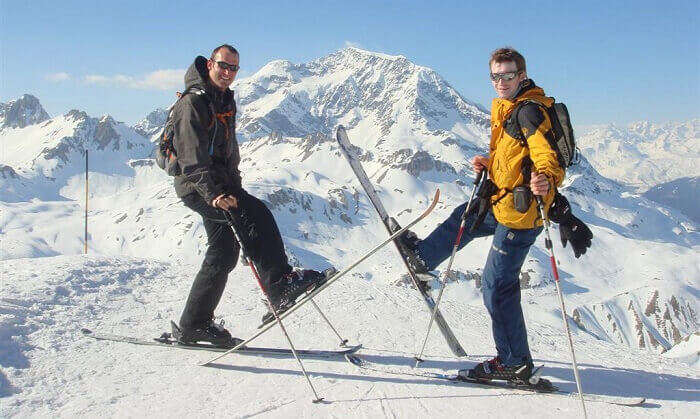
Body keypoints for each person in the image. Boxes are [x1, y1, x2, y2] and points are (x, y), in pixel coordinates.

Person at [400, 47, 590, 383]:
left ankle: (514, 362)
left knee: (497, 286)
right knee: (465, 217)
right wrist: (490, 164)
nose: (501, 81)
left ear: (522, 75)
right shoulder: (506, 106)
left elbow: (547, 158)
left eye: (508, 75)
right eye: (496, 76)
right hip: (501, 197)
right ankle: (422, 258)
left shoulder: (529, 112)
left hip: (522, 213)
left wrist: (545, 178)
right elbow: (512, 154)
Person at [170, 44, 332, 345]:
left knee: (224, 251)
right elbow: (192, 158)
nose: (228, 72)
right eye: (223, 66)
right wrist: (215, 195)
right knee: (256, 214)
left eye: (234, 68)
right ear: (209, 64)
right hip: (200, 187)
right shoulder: (193, 103)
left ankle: (193, 323)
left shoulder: (221, 98)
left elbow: (224, 151)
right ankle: (279, 286)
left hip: (219, 185)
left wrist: (232, 185)